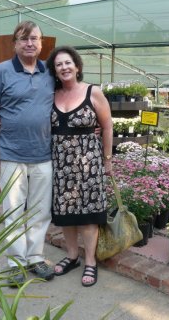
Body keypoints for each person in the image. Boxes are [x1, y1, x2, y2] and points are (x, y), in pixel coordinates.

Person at [0, 20, 55, 287]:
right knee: (12, 211)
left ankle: (35, 258)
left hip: (44, 155)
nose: (29, 43)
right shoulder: (1, 72)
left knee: (39, 211)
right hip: (11, 154)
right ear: (15, 43)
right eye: (23, 39)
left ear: (42, 42)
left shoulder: (51, 72)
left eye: (34, 38)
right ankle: (16, 264)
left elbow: (69, 101)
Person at [46, 45, 113, 287]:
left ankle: (90, 262)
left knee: (88, 217)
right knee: (66, 216)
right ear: (54, 71)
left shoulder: (93, 92)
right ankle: (72, 256)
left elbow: (107, 126)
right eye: (58, 64)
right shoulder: (51, 94)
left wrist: (107, 160)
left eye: (67, 63)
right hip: (60, 165)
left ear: (77, 67)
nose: (64, 67)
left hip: (88, 165)